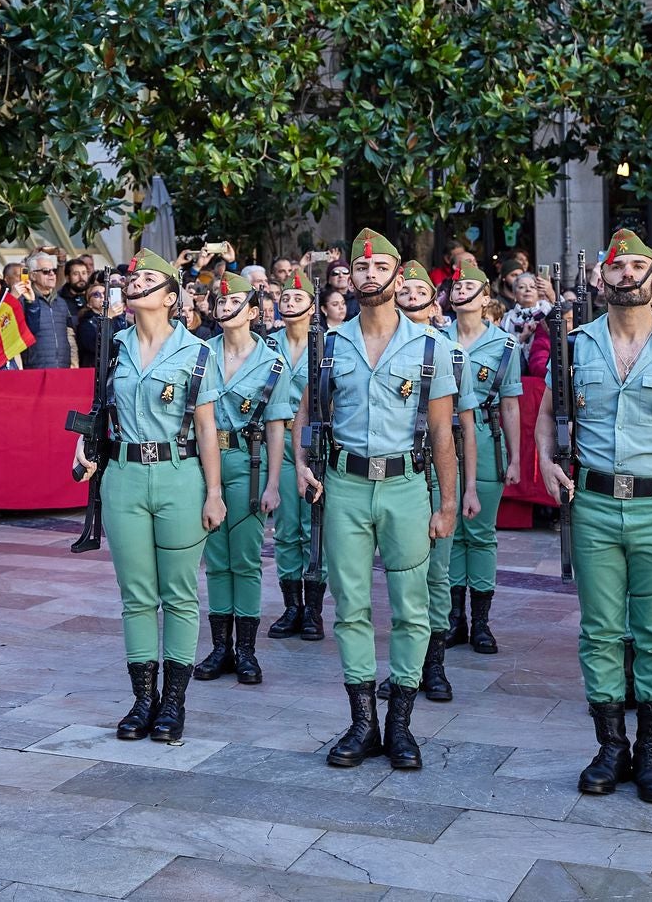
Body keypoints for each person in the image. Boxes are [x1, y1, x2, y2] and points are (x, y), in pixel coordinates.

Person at [535, 229, 652, 804]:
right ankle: (611, 746)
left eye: (639, 267)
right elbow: (548, 415)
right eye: (616, 268)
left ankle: (651, 754)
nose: (626, 275)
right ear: (600, 279)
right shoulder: (574, 345)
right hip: (590, 505)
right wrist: (543, 461)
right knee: (599, 631)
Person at [293, 229, 459, 771]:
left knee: (412, 608)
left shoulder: (432, 346)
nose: (369, 275)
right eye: (360, 269)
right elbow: (303, 412)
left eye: (379, 267)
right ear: (350, 278)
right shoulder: (329, 346)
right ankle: (364, 722)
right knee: (351, 607)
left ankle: (402, 725)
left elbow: (442, 434)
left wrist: (448, 502)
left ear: (397, 274)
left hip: (407, 486)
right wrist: (298, 460)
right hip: (344, 485)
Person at [73, 248, 225, 743]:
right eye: (133, 280)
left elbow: (206, 429)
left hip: (180, 474)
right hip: (124, 475)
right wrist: (85, 444)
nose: (136, 285)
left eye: (148, 280)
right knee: (136, 596)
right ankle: (143, 700)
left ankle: (174, 703)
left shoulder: (199, 351)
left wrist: (214, 492)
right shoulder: (111, 345)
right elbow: (101, 408)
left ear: (170, 296)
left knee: (179, 595)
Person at [387, 259, 475, 703]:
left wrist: (464, 489)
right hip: (397, 474)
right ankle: (405, 664)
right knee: (404, 576)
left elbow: (463, 427)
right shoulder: (382, 347)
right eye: (406, 293)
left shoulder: (450, 352)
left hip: (432, 471)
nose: (413, 300)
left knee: (437, 573)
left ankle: (433, 664)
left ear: (434, 301)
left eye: (421, 293)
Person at [192, 273, 286, 687]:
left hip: (250, 461)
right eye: (220, 303)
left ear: (251, 312)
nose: (225, 309)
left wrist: (273, 482)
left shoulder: (271, 361)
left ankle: (246, 651)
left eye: (234, 304)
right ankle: (219, 648)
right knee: (215, 557)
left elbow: (278, 426)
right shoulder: (200, 353)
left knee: (246, 558)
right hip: (206, 461)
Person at [444, 263, 524, 664]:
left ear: (486, 298)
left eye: (470, 286)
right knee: (450, 530)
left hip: (486, 439)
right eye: (456, 286)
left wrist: (515, 457)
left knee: (481, 532)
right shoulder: (435, 337)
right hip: (442, 441)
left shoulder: (505, 346)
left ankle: (481, 621)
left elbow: (510, 405)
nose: (461, 292)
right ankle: (454, 617)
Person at [266, 271, 327, 641]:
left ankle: (314, 610)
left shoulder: (325, 343)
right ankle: (292, 606)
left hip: (312, 442)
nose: (289, 305)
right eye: (285, 299)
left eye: (297, 299)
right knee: (287, 529)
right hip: (278, 440)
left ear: (312, 306)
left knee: (313, 527)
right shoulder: (267, 345)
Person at [21, 251, 76, 369]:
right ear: (32, 275)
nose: (52, 275)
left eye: (54, 271)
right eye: (46, 271)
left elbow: (69, 335)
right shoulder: (24, 301)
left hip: (62, 367)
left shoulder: (61, 302)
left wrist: (73, 363)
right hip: (35, 368)